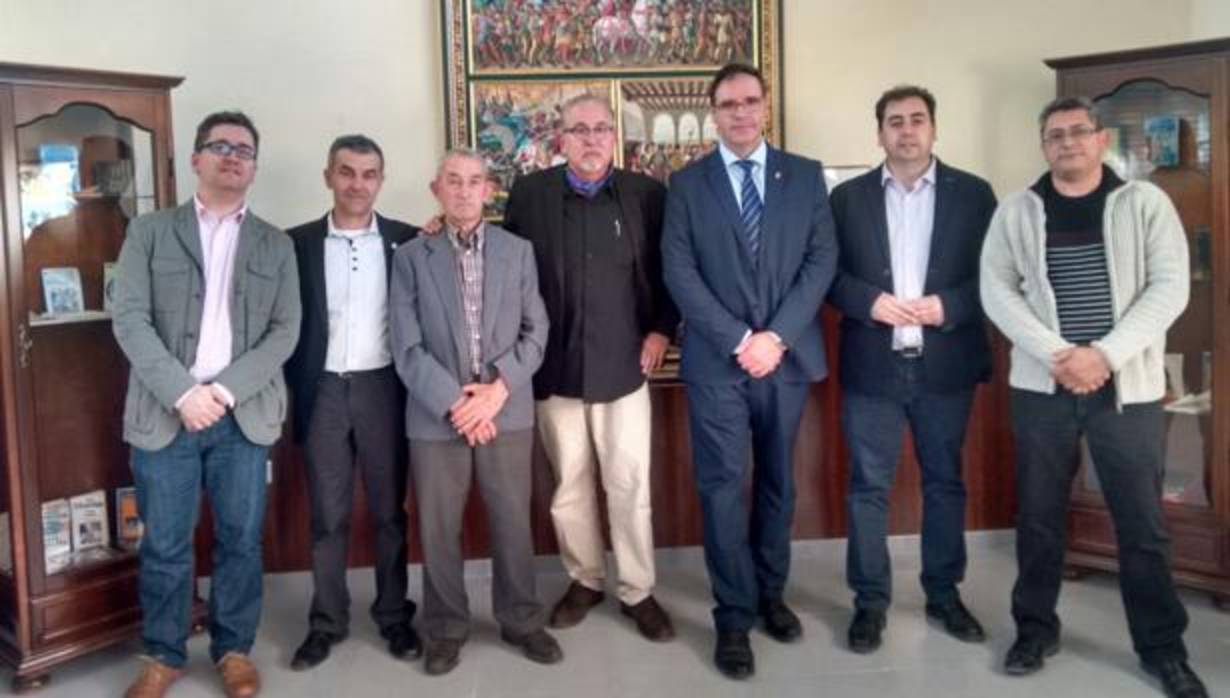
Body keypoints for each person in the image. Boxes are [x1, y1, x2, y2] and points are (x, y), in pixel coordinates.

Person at [981, 96, 1208, 698]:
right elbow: (997, 291)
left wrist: (1102, 355)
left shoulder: (1144, 202)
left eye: (1079, 132)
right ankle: (1034, 630)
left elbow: (1170, 289)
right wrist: (1061, 355)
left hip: (1126, 387)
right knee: (1037, 517)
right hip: (1043, 386)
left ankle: (1163, 649)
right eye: (1054, 135)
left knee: (1142, 524)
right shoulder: (1018, 211)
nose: (1067, 143)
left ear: (1101, 140)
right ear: (1044, 145)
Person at [112, 110, 300, 698]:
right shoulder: (149, 231)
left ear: (254, 166)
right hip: (165, 416)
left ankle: (233, 649)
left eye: (244, 149)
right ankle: (164, 654)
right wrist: (184, 393)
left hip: (242, 418)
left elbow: (285, 330)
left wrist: (218, 393)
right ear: (196, 159)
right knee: (166, 543)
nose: (233, 155)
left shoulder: (276, 242)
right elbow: (130, 317)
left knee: (241, 540)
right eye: (219, 146)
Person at [660, 63, 837, 679]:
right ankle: (733, 618)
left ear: (766, 106)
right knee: (723, 490)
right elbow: (679, 273)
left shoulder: (806, 176)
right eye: (727, 103)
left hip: (785, 362)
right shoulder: (686, 184)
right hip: (719, 364)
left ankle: (770, 595)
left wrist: (777, 337)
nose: (739, 112)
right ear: (713, 112)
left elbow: (822, 261)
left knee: (778, 485)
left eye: (749, 101)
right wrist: (741, 339)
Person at [502, 93, 678, 641]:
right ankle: (585, 579)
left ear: (614, 136)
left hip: (625, 367)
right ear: (561, 138)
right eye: (580, 129)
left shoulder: (647, 195)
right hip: (554, 369)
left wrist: (660, 329)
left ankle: (637, 589)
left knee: (629, 484)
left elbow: (671, 269)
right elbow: (505, 268)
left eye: (602, 128)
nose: (592, 139)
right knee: (569, 486)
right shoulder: (530, 195)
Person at [827, 85, 997, 653]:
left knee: (945, 483)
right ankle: (869, 603)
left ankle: (944, 595)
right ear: (879, 133)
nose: (906, 130)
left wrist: (948, 306)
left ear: (933, 128)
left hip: (944, 365)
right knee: (868, 487)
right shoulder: (846, 199)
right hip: (873, 365)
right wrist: (866, 301)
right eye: (894, 121)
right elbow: (826, 274)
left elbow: (996, 279)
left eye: (917, 120)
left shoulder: (974, 195)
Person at [390, 149, 559, 676]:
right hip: (435, 417)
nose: (464, 191)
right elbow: (406, 346)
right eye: (453, 182)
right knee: (438, 528)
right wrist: (458, 404)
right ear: (436, 189)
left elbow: (538, 332)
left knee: (512, 521)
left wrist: (495, 391)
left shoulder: (518, 252)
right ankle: (445, 628)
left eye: (475, 182)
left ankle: (522, 620)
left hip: (505, 412)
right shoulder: (411, 258)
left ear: (490, 190)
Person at [283, 135, 420, 670]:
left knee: (390, 513)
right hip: (322, 391)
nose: (357, 184)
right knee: (327, 515)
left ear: (380, 181)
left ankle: (394, 616)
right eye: (347, 172)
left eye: (368, 174)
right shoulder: (295, 243)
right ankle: (326, 623)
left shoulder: (407, 240)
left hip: (384, 388)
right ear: (329, 177)